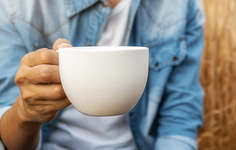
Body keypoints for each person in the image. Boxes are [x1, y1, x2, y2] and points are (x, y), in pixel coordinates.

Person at [0, 0, 205, 149]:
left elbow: (179, 119)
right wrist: (24, 114)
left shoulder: (181, 5)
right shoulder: (15, 8)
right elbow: (9, 137)